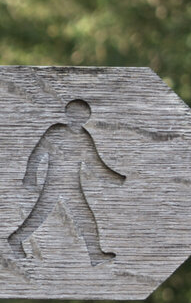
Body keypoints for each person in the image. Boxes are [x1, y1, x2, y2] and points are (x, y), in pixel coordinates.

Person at [8, 99, 125, 265]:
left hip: (72, 186)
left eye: (83, 116)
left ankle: (94, 254)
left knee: (85, 217)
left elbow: (96, 166)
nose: (79, 119)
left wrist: (118, 179)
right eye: (77, 115)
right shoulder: (56, 132)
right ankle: (15, 239)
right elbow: (37, 154)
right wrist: (30, 176)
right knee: (39, 216)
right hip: (53, 184)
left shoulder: (84, 139)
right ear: (68, 114)